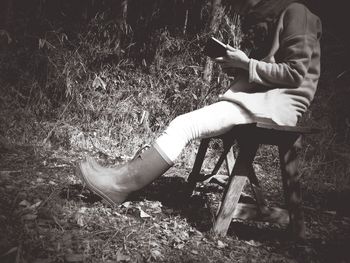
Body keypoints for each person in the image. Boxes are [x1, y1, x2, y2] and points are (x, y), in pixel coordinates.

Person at [76, 0, 322, 207]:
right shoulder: (277, 17)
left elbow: (294, 73)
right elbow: (269, 71)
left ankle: (120, 186)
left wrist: (246, 63)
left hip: (277, 105)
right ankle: (118, 175)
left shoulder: (297, 12)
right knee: (184, 124)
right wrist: (239, 66)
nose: (245, 11)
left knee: (184, 125)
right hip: (260, 101)